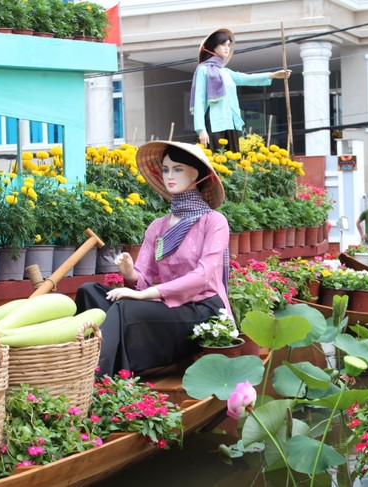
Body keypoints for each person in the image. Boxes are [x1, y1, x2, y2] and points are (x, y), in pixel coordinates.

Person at [75, 140, 232, 376]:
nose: (170, 175)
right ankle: (73, 361)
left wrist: (142, 294)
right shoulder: (158, 226)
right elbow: (142, 280)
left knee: (125, 309)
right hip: (166, 306)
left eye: (178, 169)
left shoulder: (214, 221)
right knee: (89, 291)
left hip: (201, 310)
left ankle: (94, 378)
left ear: (196, 174)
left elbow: (203, 277)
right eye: (166, 169)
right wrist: (129, 272)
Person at [190, 28, 291, 152]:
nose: (227, 48)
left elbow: (246, 78)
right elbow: (199, 100)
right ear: (213, 46)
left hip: (230, 122)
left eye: (228, 45)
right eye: (223, 44)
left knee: (232, 162)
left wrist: (273, 75)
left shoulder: (226, 72)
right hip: (213, 123)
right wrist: (201, 129)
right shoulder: (203, 70)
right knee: (215, 160)